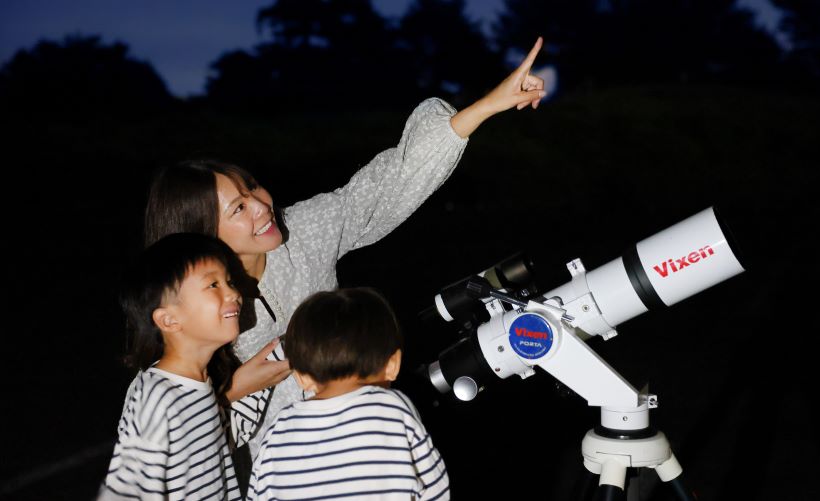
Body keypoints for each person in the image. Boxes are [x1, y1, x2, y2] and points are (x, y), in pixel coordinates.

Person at [141, 37, 548, 460]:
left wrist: (486, 106)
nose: (262, 206)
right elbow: (171, 439)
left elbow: (391, 180)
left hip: (372, 443)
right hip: (289, 472)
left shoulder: (301, 230)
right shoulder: (192, 311)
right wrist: (240, 386)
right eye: (239, 208)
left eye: (253, 187)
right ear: (204, 235)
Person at [247, 288, 449, 500]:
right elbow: (436, 488)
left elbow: (258, 493)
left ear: (301, 377)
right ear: (392, 365)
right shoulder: (393, 409)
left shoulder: (279, 428)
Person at [99, 233, 244, 500]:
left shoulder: (198, 383)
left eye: (229, 282)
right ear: (169, 320)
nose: (233, 293)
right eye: (213, 284)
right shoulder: (157, 397)